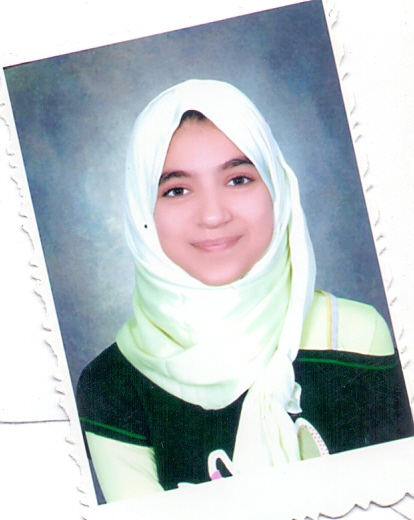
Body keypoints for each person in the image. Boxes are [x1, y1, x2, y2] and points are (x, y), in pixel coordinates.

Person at [77, 79, 413, 503]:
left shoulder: (354, 335)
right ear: (142, 210)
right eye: (177, 190)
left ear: (277, 189)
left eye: (238, 179)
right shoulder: (110, 383)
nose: (213, 215)